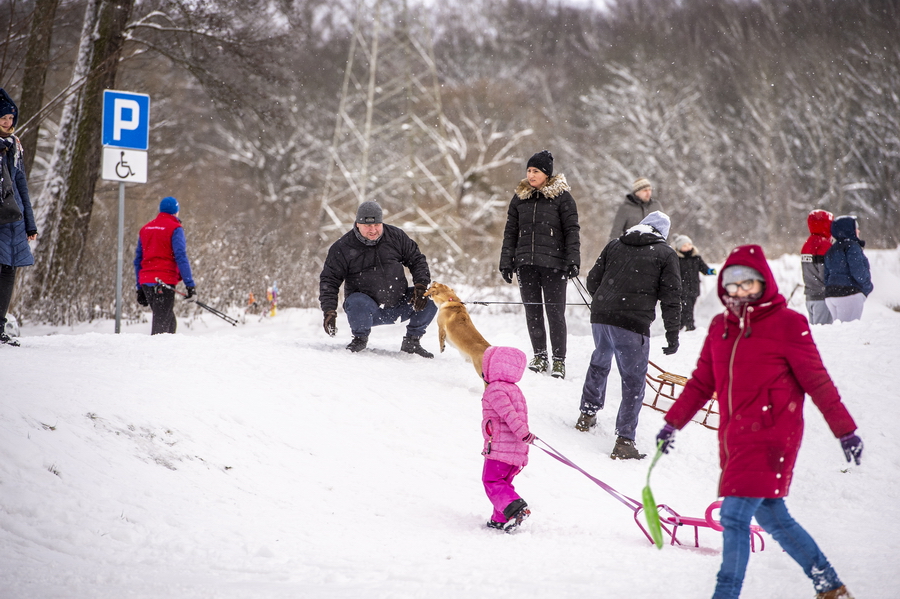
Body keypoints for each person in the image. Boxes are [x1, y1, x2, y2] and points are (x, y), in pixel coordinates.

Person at [655, 244, 862, 599]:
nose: (739, 291)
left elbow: (817, 381)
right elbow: (702, 383)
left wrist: (846, 430)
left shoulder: (787, 324)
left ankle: (726, 594)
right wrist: (672, 423)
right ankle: (829, 585)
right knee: (773, 516)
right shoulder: (721, 326)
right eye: (732, 284)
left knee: (734, 516)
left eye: (747, 283)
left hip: (773, 436)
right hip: (736, 439)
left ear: (763, 282)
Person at [575, 211, 681, 460]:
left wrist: (606, 302)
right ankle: (624, 441)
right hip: (632, 324)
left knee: (600, 362)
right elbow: (671, 298)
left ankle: (586, 415)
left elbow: (592, 281)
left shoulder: (615, 244)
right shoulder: (666, 254)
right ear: (662, 234)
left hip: (601, 318)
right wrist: (672, 334)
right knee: (633, 381)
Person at [499, 150, 580, 379]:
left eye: (535, 171)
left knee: (555, 314)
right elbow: (510, 232)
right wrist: (506, 261)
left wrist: (573, 260)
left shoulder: (563, 197)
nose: (531, 175)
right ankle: (540, 355)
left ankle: (558, 360)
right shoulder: (519, 198)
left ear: (546, 174)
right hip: (526, 264)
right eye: (529, 170)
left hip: (554, 264)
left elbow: (572, 230)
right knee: (533, 312)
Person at [319, 200, 437, 356]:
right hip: (368, 310)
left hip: (399, 303)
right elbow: (329, 280)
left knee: (433, 297)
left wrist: (421, 286)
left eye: (377, 225)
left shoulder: (396, 237)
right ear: (357, 224)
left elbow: (417, 260)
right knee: (356, 302)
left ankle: (412, 341)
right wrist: (329, 311)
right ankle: (359, 340)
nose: (373, 230)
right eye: (368, 226)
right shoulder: (343, 247)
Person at [480, 345, 534, 532]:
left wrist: (522, 432)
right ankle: (500, 518)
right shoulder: (514, 389)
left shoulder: (495, 390)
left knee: (492, 481)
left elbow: (509, 414)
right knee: (503, 483)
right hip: (516, 450)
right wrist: (523, 435)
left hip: (500, 450)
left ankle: (515, 508)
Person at [0, 89, 38, 347]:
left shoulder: (15, 145)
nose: (7, 121)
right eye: (3, 117)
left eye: (11, 117)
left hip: (13, 219)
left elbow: (21, 186)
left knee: (8, 272)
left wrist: (30, 223)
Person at [133, 196, 196, 335]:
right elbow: (181, 256)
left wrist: (139, 288)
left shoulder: (146, 229)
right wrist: (190, 285)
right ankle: (155, 354)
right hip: (163, 281)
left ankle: (167, 351)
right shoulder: (175, 228)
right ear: (175, 212)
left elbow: (138, 260)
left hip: (147, 281)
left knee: (169, 320)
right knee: (162, 327)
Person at [824, 215, 872, 323]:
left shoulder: (831, 249)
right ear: (849, 230)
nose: (858, 230)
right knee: (849, 333)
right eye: (856, 227)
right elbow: (858, 271)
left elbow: (826, 275)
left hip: (831, 295)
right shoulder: (852, 246)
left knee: (839, 332)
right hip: (848, 294)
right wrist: (867, 286)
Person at [672, 234, 716, 331]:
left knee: (689, 306)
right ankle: (690, 326)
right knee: (686, 307)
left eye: (689, 244)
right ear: (679, 248)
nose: (688, 247)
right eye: (684, 245)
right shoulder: (676, 259)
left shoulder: (696, 258)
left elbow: (704, 268)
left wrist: (711, 271)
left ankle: (681, 324)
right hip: (682, 288)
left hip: (694, 287)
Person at [801, 209, 835, 325]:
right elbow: (825, 274)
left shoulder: (807, 244)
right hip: (822, 298)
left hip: (810, 297)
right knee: (825, 335)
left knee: (817, 334)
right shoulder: (824, 245)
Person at [607, 177, 661, 242]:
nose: (648, 193)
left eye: (650, 190)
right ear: (637, 192)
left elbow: (664, 228)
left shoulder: (656, 205)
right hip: (632, 248)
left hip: (655, 248)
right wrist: (611, 250)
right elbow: (615, 232)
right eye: (645, 190)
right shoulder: (625, 208)